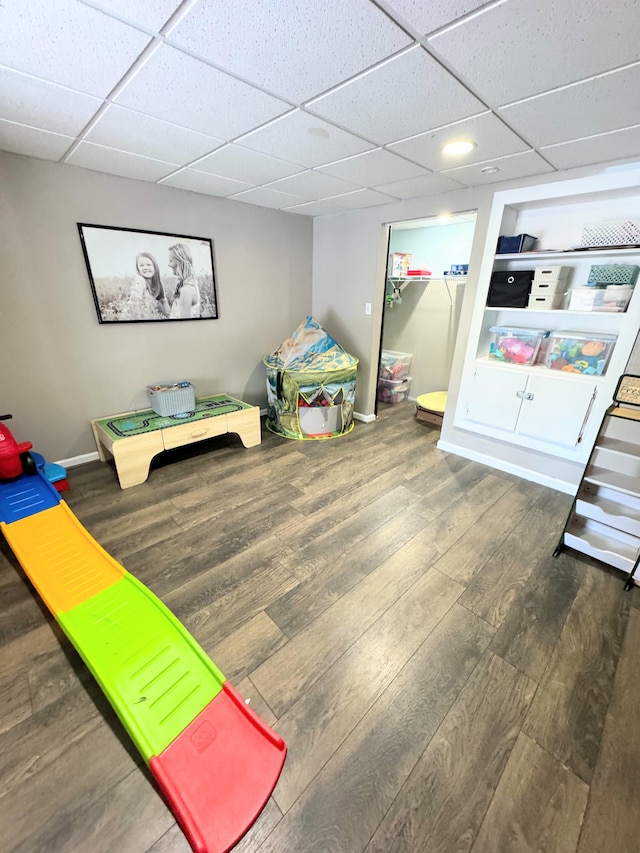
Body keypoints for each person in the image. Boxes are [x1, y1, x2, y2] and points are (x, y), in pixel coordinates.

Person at [126, 252, 170, 319]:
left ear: (155, 267)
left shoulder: (158, 283)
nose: (145, 268)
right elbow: (134, 305)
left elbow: (164, 302)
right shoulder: (140, 280)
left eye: (148, 265)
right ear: (138, 268)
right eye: (141, 265)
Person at [168, 243, 201, 319]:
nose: (168, 265)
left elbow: (184, 324)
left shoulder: (186, 290)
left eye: (170, 260)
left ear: (180, 262)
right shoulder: (188, 284)